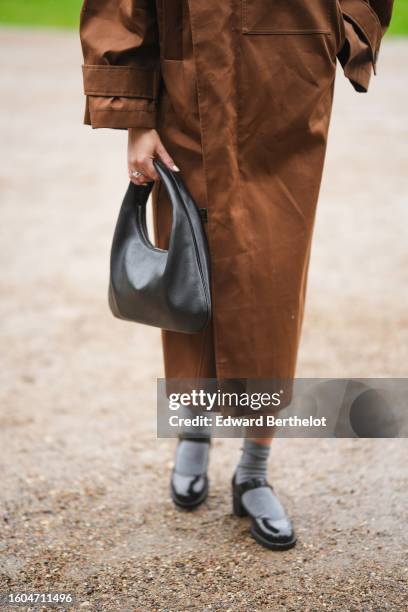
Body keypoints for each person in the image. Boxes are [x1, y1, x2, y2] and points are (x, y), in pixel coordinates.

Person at [80, 0, 393, 550]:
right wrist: (136, 119)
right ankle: (193, 429)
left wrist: (347, 25)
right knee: (186, 272)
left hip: (287, 87)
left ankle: (254, 469)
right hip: (188, 89)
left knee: (273, 281)